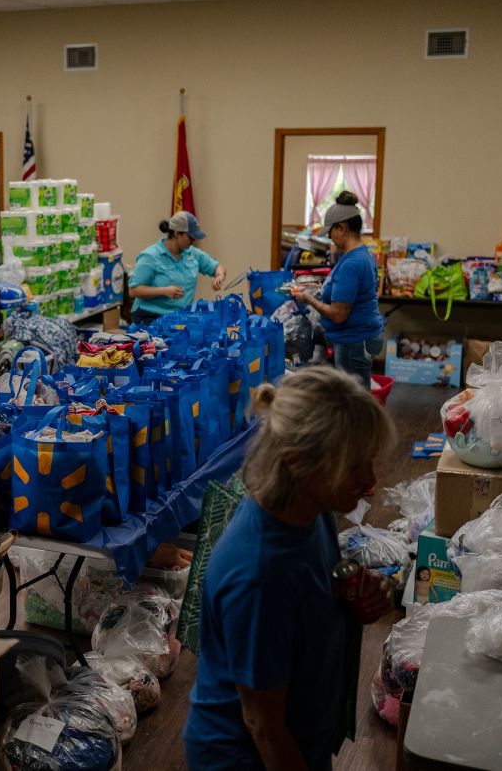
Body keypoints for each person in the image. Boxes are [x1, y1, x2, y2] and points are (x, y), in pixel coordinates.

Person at [184, 368, 397, 771]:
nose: (369, 479)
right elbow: (261, 724)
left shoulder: (310, 509)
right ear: (297, 461)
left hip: (299, 735)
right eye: (353, 466)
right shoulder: (260, 573)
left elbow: (318, 579)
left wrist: (356, 589)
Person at [291, 191, 385, 388]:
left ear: (341, 228)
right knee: (357, 401)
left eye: (331, 232)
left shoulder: (352, 263)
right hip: (362, 337)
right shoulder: (362, 254)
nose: (331, 239)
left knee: (353, 405)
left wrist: (308, 299)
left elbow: (338, 314)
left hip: (353, 342)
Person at [128, 210, 226, 326]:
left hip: (180, 317)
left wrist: (219, 276)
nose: (193, 241)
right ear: (176, 234)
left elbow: (217, 267)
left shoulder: (192, 254)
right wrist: (164, 291)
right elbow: (133, 290)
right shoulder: (151, 256)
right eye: (190, 237)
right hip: (150, 317)